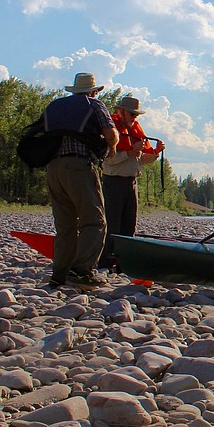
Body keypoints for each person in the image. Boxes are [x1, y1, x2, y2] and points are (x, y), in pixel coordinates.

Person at [43, 72, 118, 289]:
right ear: (94, 91)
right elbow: (111, 135)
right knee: (94, 221)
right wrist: (111, 147)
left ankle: (60, 274)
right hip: (79, 165)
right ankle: (82, 271)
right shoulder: (94, 104)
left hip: (53, 167)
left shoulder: (54, 106)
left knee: (65, 225)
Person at [99, 95, 164, 269]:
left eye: (136, 115)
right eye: (132, 114)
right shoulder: (111, 132)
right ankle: (105, 261)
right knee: (112, 223)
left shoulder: (134, 132)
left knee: (129, 223)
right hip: (113, 182)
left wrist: (156, 153)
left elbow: (141, 160)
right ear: (121, 112)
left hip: (131, 183)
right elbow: (107, 160)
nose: (135, 118)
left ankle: (123, 262)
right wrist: (130, 152)